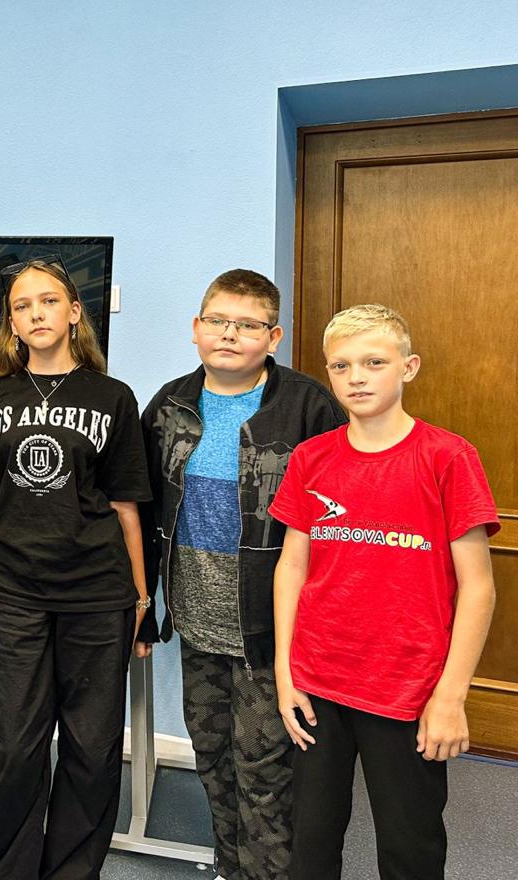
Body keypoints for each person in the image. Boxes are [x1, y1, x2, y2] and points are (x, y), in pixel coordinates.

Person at [270, 304, 498, 880]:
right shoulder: (311, 458)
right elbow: (291, 566)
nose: (357, 377)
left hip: (407, 688)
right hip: (318, 681)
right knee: (310, 843)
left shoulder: (448, 457)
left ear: (408, 367)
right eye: (341, 366)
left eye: (374, 362)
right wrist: (284, 672)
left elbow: (478, 587)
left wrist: (451, 696)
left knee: (409, 846)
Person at [0, 257, 153, 880]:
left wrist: (141, 601)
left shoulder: (112, 398)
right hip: (15, 596)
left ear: (74, 313)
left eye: (48, 301)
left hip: (98, 596)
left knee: (92, 750)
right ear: (10, 324)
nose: (36, 313)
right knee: (13, 749)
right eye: (22, 306)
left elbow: (126, 508)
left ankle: (70, 871)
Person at [138, 269, 345, 880]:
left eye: (249, 325)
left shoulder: (307, 406)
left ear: (273, 337)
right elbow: (142, 509)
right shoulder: (169, 405)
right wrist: (144, 605)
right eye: (218, 321)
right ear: (196, 328)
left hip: (269, 627)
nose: (230, 334)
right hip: (196, 619)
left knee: (264, 769)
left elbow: (338, 516)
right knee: (211, 757)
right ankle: (231, 867)